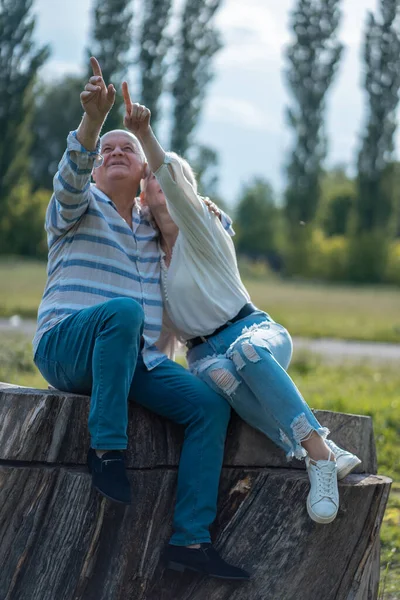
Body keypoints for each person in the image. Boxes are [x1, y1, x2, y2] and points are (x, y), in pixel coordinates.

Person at [32, 57, 250, 581]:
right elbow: (69, 178)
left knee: (207, 406)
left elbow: (215, 226)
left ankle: (190, 542)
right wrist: (93, 121)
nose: (113, 152)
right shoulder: (76, 210)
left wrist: (181, 196)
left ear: (146, 172)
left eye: (123, 147)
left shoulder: (154, 227)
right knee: (124, 313)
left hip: (135, 361)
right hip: (68, 346)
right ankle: (106, 449)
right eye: (105, 150)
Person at [121, 84, 362, 527]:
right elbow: (161, 335)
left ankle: (320, 455)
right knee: (216, 370)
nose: (159, 179)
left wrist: (147, 135)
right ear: (141, 198)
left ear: (188, 193)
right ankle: (319, 453)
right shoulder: (150, 260)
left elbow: (171, 180)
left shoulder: (204, 228)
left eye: (168, 176)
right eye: (150, 177)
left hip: (253, 332)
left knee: (244, 353)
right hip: (204, 355)